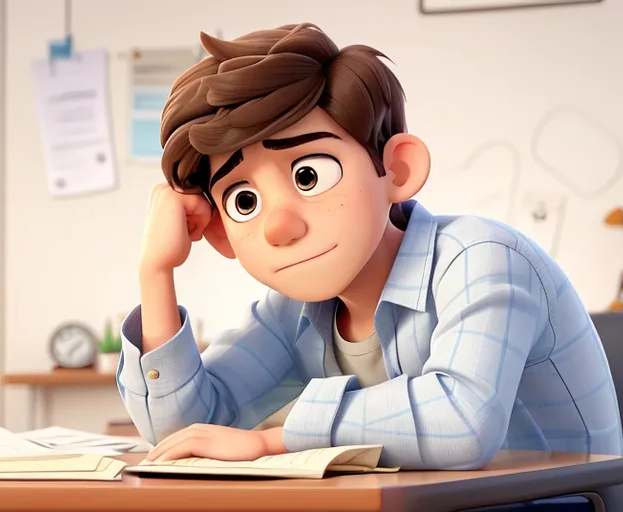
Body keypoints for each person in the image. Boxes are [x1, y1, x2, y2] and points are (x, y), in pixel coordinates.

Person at [115, 23, 623, 470]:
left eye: (309, 174)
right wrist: (156, 273)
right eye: (244, 200)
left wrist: (273, 440)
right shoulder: (294, 311)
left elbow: (463, 420)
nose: (280, 225)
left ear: (397, 169)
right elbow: (185, 435)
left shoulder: (484, 258)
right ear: (222, 232)